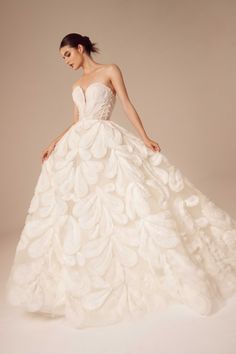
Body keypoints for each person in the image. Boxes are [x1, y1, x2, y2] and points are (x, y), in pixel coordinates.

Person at [5, 33, 236, 329]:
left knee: (125, 200)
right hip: (78, 146)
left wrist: (145, 137)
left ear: (80, 48)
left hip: (106, 139)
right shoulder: (75, 86)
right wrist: (54, 142)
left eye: (66, 55)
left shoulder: (110, 70)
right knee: (81, 209)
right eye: (62, 58)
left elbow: (126, 104)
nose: (66, 61)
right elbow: (77, 121)